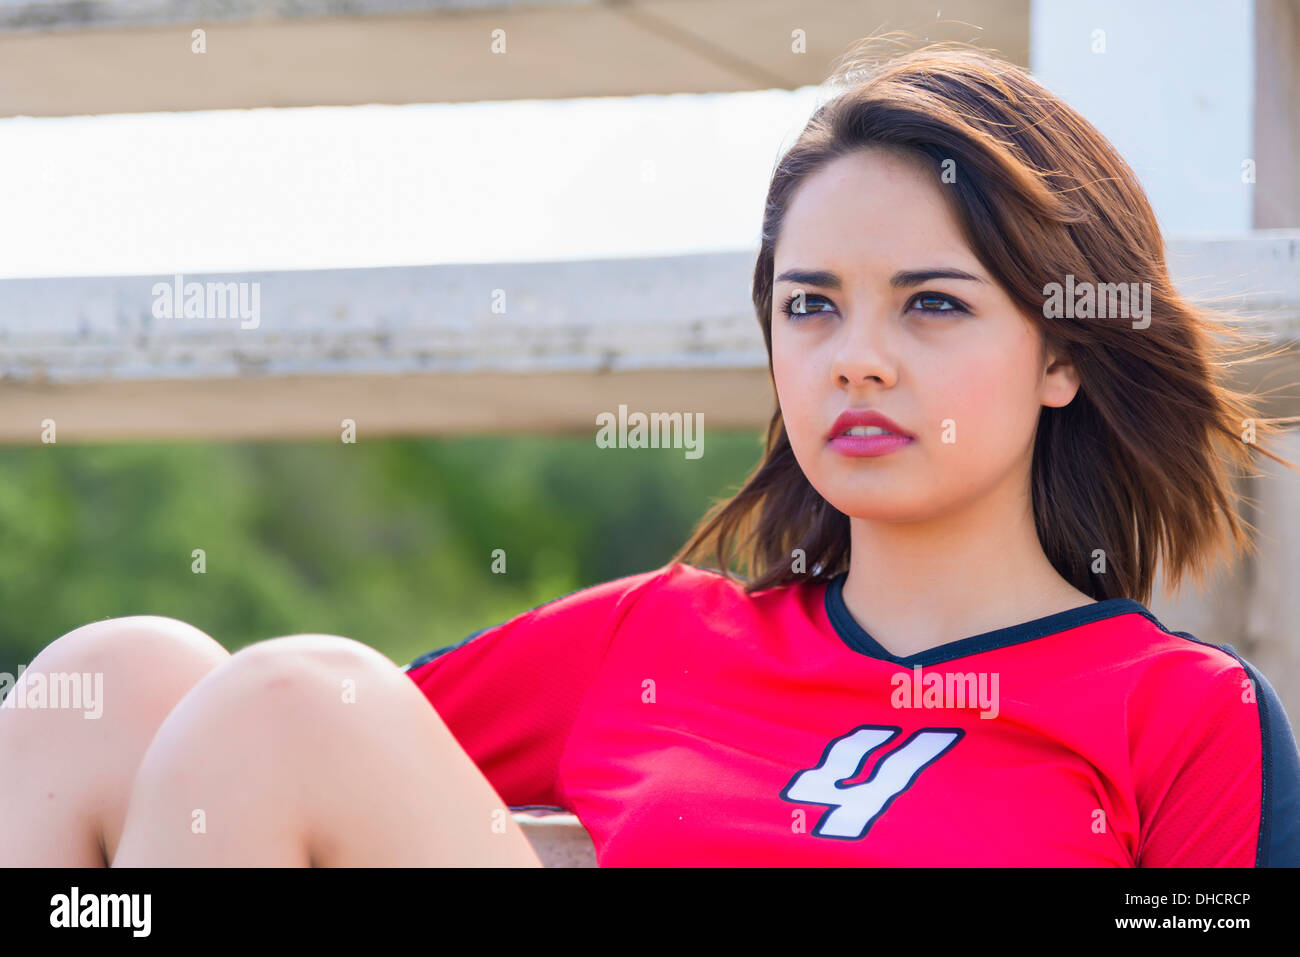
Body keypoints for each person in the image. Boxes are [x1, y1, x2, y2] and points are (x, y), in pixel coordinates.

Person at [2, 39, 1297, 867]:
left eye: (933, 303)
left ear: (1064, 351)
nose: (857, 355)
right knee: (123, 679)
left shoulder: (1176, 711)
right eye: (810, 305)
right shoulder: (659, 644)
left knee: (284, 703)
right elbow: (262, 760)